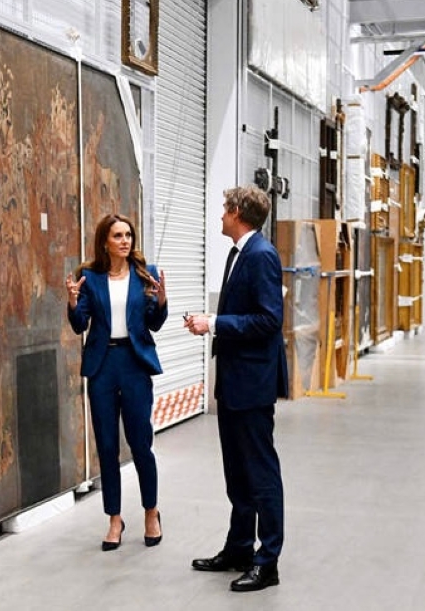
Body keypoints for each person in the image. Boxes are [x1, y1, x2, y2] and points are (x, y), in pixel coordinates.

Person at [184, 185, 287, 592]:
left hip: (252, 384)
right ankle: (241, 547)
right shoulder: (237, 253)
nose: (221, 216)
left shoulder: (261, 255)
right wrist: (214, 320)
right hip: (233, 381)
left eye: (225, 209)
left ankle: (268, 561)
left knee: (261, 474)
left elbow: (268, 320)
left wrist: (216, 324)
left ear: (239, 212)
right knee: (237, 474)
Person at [66, 214, 167, 551]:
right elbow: (80, 324)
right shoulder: (90, 278)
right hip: (103, 365)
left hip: (135, 364)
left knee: (140, 443)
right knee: (107, 446)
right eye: (118, 235)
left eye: (129, 235)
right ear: (105, 242)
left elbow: (154, 324)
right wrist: (71, 302)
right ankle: (114, 519)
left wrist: (161, 300)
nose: (125, 240)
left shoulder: (144, 273)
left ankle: (151, 512)